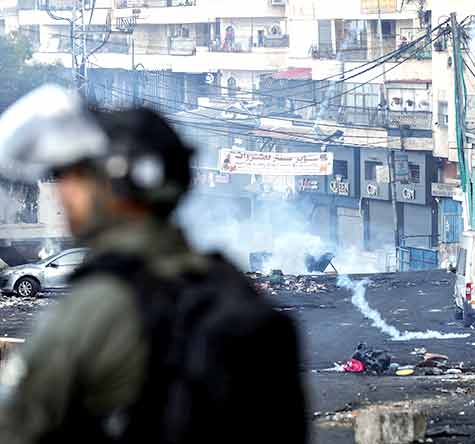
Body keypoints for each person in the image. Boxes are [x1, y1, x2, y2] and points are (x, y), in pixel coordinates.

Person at [0, 85, 307, 443]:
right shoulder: (232, 288)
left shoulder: (93, 310)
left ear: (116, 182)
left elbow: (15, 429)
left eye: (75, 175)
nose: (64, 189)